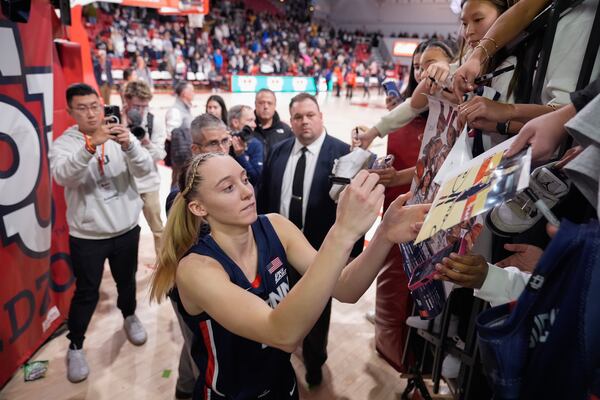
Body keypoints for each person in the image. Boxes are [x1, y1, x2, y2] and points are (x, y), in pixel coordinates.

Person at [150, 152, 429, 399]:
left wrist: (384, 235)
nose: (247, 192)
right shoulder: (196, 269)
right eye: (228, 188)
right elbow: (282, 333)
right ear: (199, 208)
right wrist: (343, 231)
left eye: (245, 179)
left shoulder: (276, 226)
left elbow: (345, 288)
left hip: (283, 385)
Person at [48, 83, 154, 383]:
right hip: (88, 236)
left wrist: (130, 145)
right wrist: (90, 145)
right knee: (86, 293)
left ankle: (130, 316)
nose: (91, 113)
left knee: (126, 282)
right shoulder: (65, 143)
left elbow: (147, 169)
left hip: (126, 230)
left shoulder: (118, 133)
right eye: (82, 108)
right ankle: (76, 344)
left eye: (94, 105)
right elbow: (63, 175)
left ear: (101, 104)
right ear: (70, 112)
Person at [258, 93, 364, 386]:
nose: (304, 121)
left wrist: (352, 252)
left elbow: (357, 209)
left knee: (317, 311)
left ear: (321, 116)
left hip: (321, 252)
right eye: (298, 117)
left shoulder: (343, 154)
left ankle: (315, 361)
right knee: (279, 303)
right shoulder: (278, 152)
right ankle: (282, 351)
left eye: (310, 115)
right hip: (278, 250)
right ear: (290, 120)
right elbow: (265, 198)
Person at [122, 80, 166, 257]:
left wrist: (146, 141)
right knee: (125, 231)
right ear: (126, 99)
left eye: (144, 106)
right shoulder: (114, 119)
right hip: (123, 183)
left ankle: (165, 266)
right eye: (136, 106)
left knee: (157, 229)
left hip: (148, 183)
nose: (140, 111)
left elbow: (160, 155)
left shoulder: (153, 121)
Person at [166, 81, 195, 188]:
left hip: (188, 155)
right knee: (178, 184)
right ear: (183, 93)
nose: (194, 93)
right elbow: (171, 135)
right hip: (180, 158)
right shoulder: (175, 111)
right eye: (191, 90)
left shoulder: (185, 108)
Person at [228, 105, 264, 187]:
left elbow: (256, 179)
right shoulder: (222, 142)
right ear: (235, 122)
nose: (255, 125)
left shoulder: (255, 144)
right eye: (250, 120)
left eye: (254, 120)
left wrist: (240, 155)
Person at [253, 89, 294, 156]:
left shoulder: (286, 131)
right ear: (255, 104)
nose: (266, 107)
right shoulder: (247, 129)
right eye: (261, 103)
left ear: (275, 105)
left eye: (269, 103)